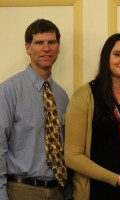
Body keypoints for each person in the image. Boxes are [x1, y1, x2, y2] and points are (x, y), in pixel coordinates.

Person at [64, 33, 120, 200]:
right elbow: (72, 156)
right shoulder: (84, 96)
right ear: (106, 57)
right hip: (98, 192)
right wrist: (117, 180)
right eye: (117, 54)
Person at [0, 19, 70, 200]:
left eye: (51, 42)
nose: (46, 48)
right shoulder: (8, 91)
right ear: (27, 47)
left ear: (58, 47)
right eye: (39, 42)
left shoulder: (62, 96)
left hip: (57, 191)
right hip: (21, 190)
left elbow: (64, 149)